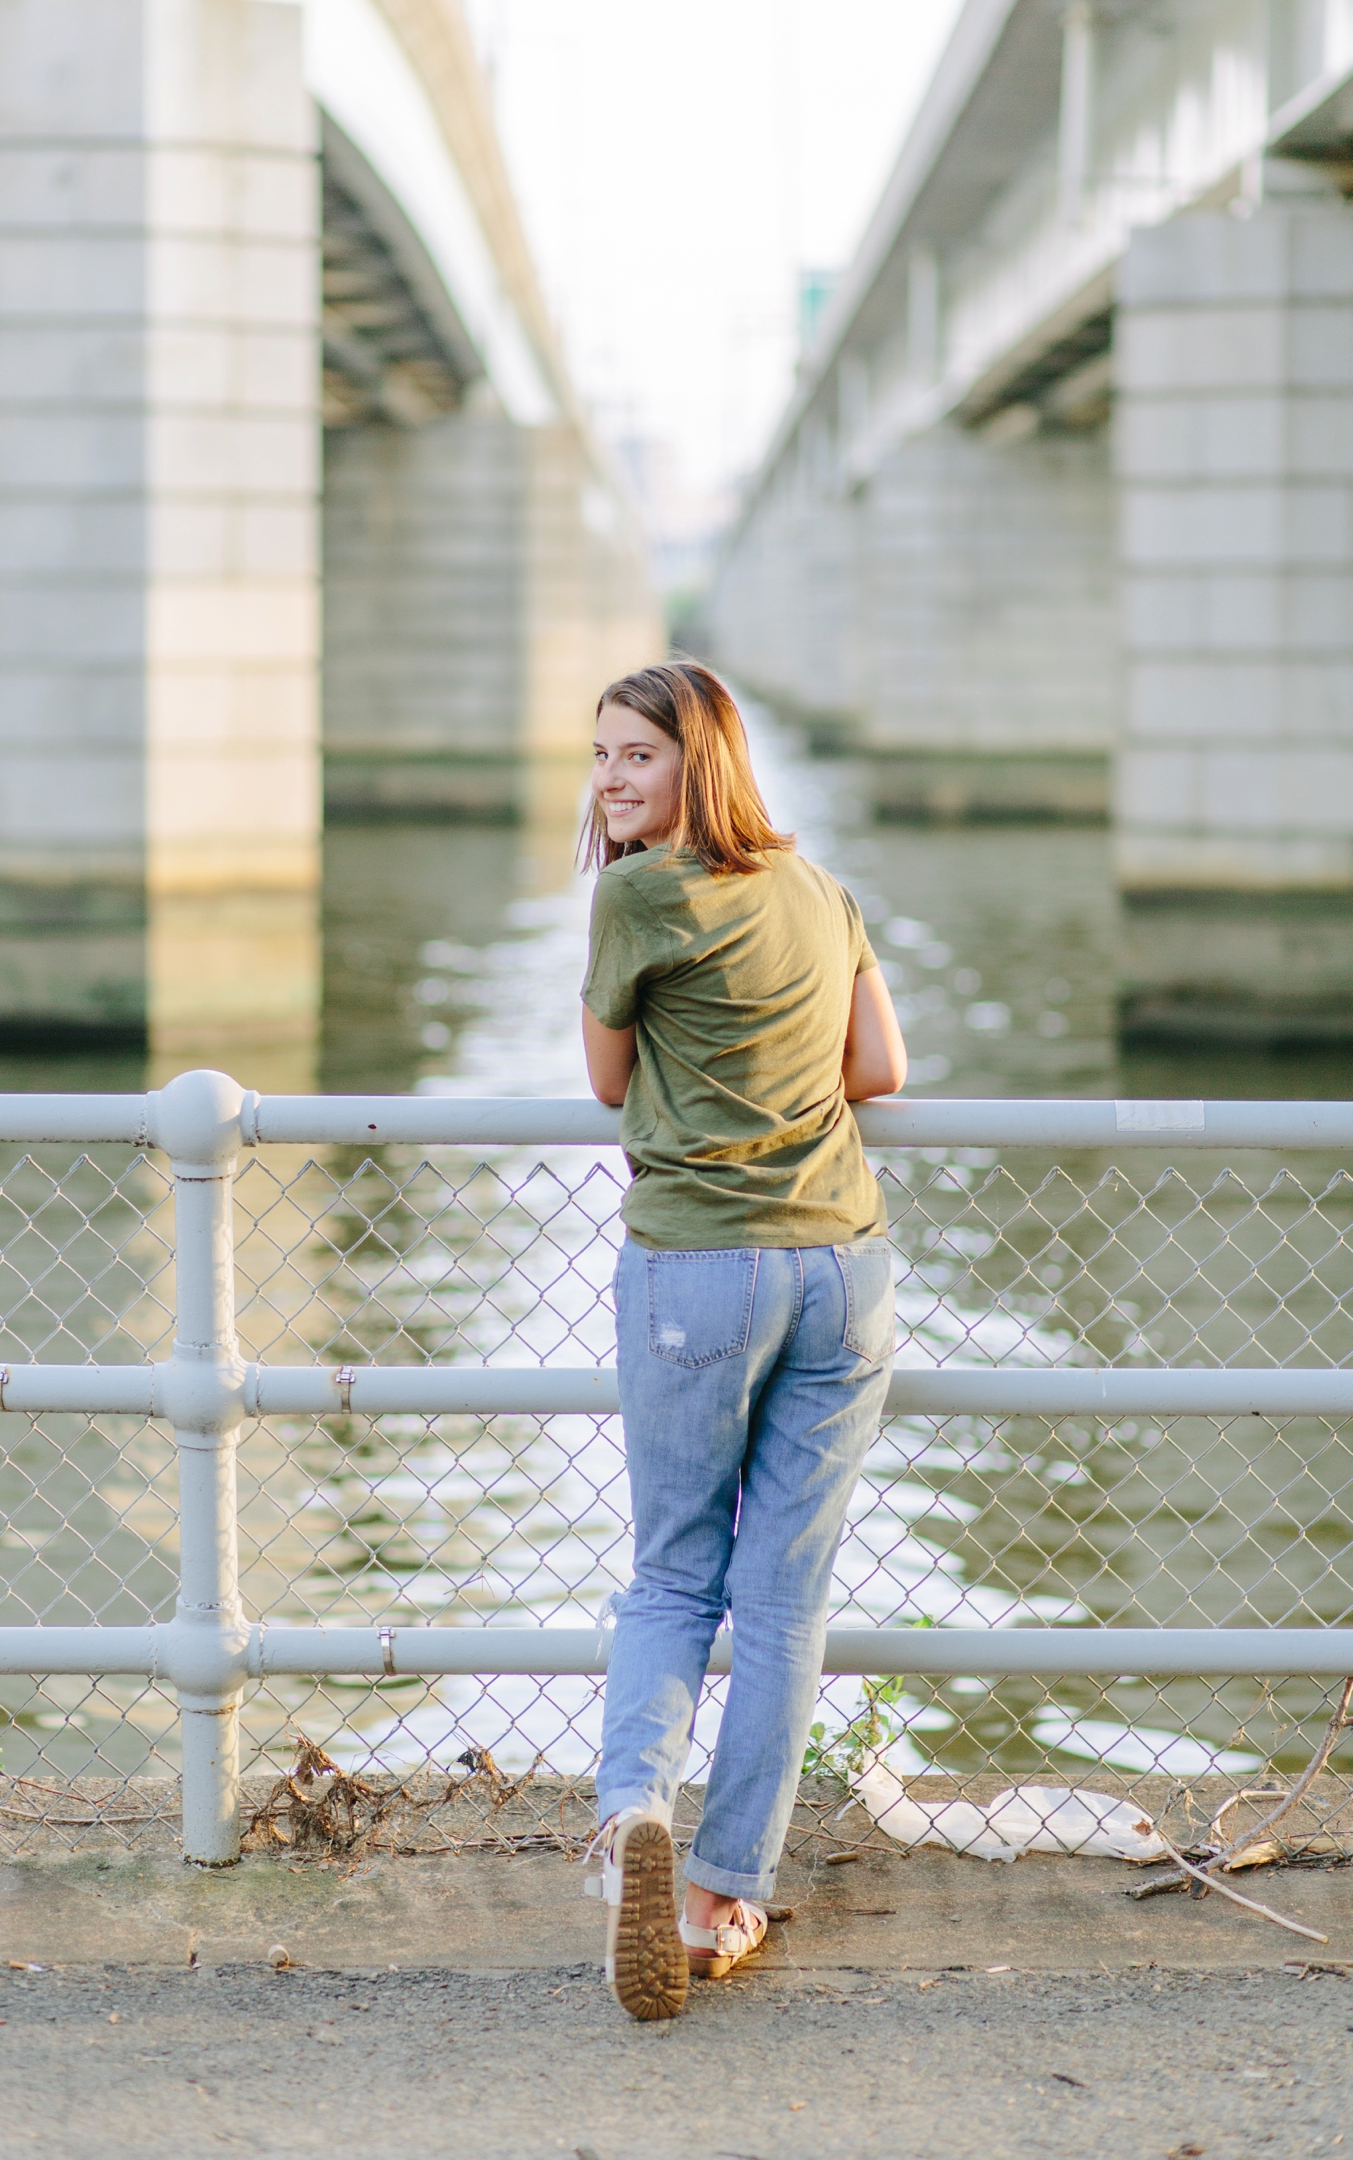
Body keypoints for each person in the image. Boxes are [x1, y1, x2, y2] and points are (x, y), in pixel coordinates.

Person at [579, 660, 907, 2021]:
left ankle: (633, 1825)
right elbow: (877, 1069)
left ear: (696, 764)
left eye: (637, 757)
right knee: (783, 1598)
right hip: (842, 1265)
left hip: (698, 1272)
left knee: (672, 1578)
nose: (609, 778)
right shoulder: (819, 890)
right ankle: (721, 1895)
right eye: (598, 755)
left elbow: (606, 1084)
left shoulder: (638, 893)